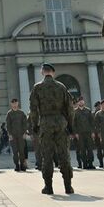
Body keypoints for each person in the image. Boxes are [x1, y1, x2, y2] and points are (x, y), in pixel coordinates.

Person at [28, 63, 75, 196]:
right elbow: (70, 109)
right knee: (64, 155)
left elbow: (33, 109)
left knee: (47, 156)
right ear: (53, 73)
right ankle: (68, 187)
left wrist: (35, 125)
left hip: (45, 123)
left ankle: (48, 187)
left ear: (42, 72)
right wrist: (70, 126)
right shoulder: (61, 87)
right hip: (61, 122)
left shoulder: (37, 88)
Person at [4, 98, 28, 172]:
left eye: (16, 103)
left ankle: (22, 165)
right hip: (13, 136)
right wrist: (9, 134)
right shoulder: (9, 114)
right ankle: (17, 165)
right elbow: (8, 125)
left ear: (18, 103)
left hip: (21, 135)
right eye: (13, 103)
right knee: (15, 152)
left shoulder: (21, 113)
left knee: (21, 151)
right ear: (11, 104)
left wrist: (24, 133)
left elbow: (25, 123)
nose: (14, 105)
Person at [72, 98, 94, 169]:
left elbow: (92, 122)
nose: (81, 102)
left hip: (88, 132)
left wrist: (93, 132)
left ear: (84, 102)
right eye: (79, 101)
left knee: (90, 149)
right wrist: (76, 133)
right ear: (78, 103)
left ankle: (90, 163)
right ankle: (84, 164)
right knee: (82, 149)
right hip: (80, 133)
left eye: (82, 101)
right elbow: (73, 124)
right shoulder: (75, 112)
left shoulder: (88, 110)